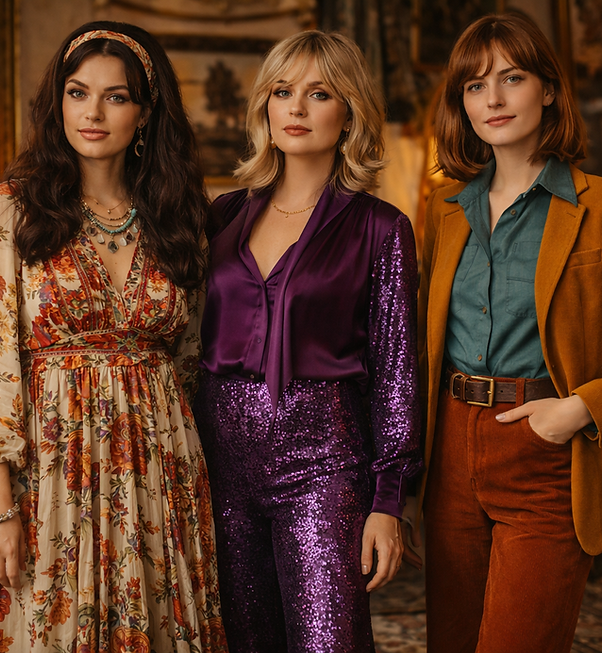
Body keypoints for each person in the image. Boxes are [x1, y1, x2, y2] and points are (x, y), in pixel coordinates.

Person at [0, 21, 227, 652]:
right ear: (58, 102)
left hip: (159, 470)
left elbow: (188, 361)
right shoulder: (10, 210)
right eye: (77, 92)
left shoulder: (178, 219)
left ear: (145, 114)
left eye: (115, 96)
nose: (92, 112)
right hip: (50, 476)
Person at [414, 12, 602, 653]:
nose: (494, 99)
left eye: (512, 78)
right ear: (462, 103)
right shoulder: (444, 209)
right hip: (450, 450)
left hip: (546, 451)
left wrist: (576, 412)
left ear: (549, 90)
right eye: (475, 85)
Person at [192, 30, 422, 653]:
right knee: (242, 641)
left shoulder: (380, 229)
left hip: (322, 466)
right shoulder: (222, 215)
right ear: (264, 107)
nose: (295, 108)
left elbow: (398, 372)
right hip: (221, 466)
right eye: (282, 91)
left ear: (349, 112)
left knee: (330, 644)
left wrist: (389, 500)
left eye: (318, 94)